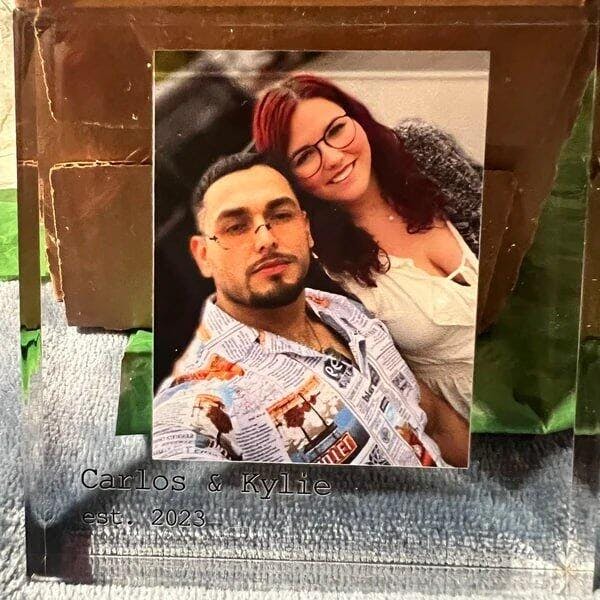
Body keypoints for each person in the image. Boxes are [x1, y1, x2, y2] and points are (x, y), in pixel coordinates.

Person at [153, 152, 469, 467]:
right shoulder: (203, 400)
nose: (266, 239)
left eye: (281, 216)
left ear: (307, 229)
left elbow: (434, 421)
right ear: (203, 255)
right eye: (236, 227)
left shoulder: (344, 311)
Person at [252, 73, 482, 420]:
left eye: (336, 131)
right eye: (304, 157)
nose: (332, 158)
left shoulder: (422, 151)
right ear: (288, 178)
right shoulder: (321, 266)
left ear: (357, 117)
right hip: (481, 421)